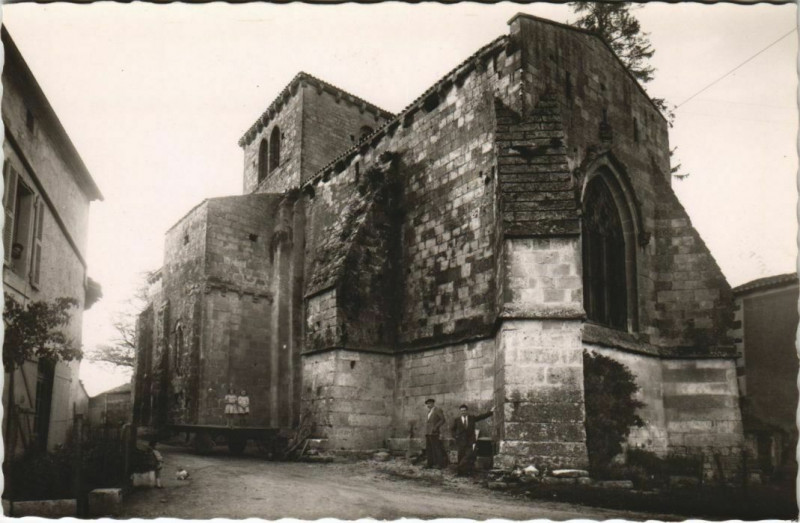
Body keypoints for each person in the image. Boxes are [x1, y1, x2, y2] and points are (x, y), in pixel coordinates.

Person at [451, 403, 494, 475]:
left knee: (469, 456)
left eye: (464, 410)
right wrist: (455, 436)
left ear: (467, 411)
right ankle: (460, 473)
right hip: (461, 441)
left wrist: (491, 412)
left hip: (470, 441)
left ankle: (468, 471)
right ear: (460, 411)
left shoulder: (472, 418)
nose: (463, 412)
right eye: (462, 411)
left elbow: (481, 417)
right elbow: (452, 429)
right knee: (461, 456)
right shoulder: (457, 420)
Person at [424, 398, 448, 469]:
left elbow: (443, 419)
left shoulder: (437, 410)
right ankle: (430, 464)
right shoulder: (429, 412)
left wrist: (436, 427)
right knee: (429, 448)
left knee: (436, 448)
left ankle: (440, 464)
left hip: (434, 432)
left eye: (430, 403)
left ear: (433, 403)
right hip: (428, 432)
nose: (428, 405)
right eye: (427, 403)